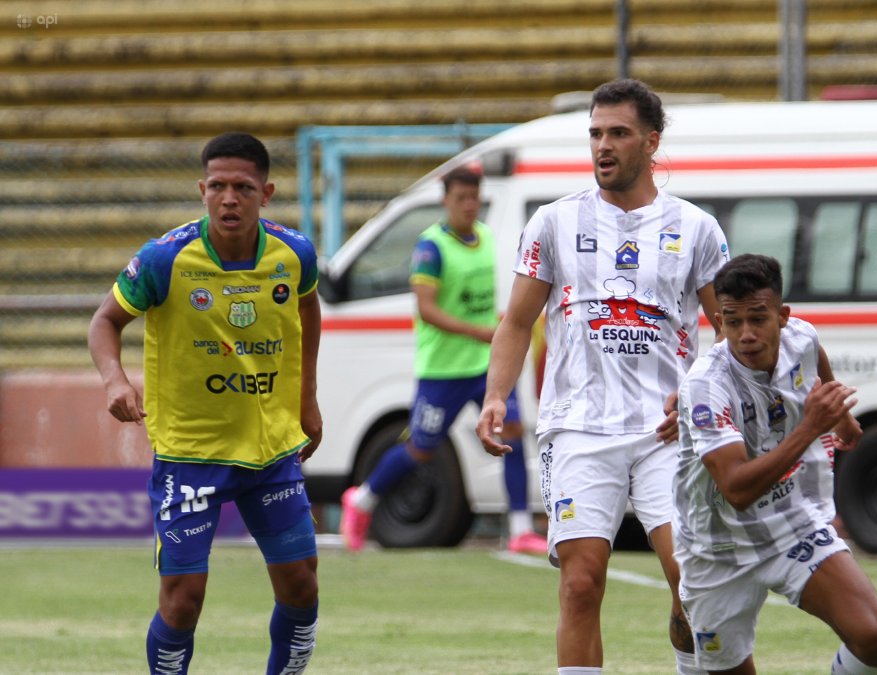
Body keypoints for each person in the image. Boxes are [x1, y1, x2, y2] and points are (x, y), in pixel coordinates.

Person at [475, 78, 729, 675]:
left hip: (669, 434)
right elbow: (516, 321)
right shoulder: (553, 223)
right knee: (581, 583)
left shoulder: (696, 228)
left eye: (618, 133)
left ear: (651, 141)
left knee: (689, 581)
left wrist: (700, 396)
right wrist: (494, 396)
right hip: (578, 429)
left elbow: (728, 331)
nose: (603, 146)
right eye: (595, 134)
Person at [88, 132, 323, 673]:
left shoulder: (294, 254)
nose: (229, 198)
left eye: (243, 187)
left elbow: (309, 313)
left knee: (301, 585)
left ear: (267, 193)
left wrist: (306, 398)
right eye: (217, 186)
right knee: (183, 600)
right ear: (201, 189)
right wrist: (114, 382)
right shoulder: (163, 259)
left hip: (269, 450)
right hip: (191, 454)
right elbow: (104, 322)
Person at [672, 254, 877, 674]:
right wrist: (811, 427)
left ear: (783, 316)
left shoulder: (801, 338)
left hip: (791, 523)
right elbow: (737, 489)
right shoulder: (706, 386)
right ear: (719, 322)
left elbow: (815, 356)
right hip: (718, 546)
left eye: (758, 318)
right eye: (733, 322)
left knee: (874, 637)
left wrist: (841, 415)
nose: (746, 335)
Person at [339, 167, 546, 555]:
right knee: (422, 447)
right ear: (445, 200)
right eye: (461, 198)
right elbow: (427, 310)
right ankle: (362, 499)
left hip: (485, 365)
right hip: (443, 370)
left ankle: (519, 527)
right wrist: (481, 331)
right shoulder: (430, 248)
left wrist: (498, 326)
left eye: (474, 198)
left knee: (512, 431)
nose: (469, 205)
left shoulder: (485, 237)